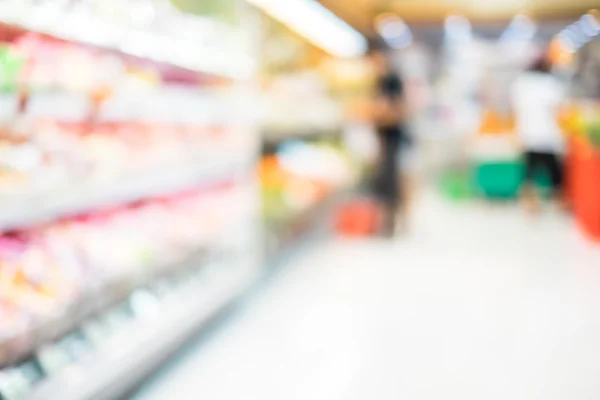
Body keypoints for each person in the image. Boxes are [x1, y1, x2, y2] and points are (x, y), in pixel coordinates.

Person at [511, 56, 566, 213]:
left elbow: (516, 109)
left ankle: (530, 204)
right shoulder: (551, 84)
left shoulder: (521, 84)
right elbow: (558, 110)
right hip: (548, 134)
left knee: (529, 172)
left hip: (527, 133)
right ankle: (559, 203)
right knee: (554, 172)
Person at [369, 44, 411, 236]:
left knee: (394, 182)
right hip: (384, 140)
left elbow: (395, 112)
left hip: (394, 140)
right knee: (386, 183)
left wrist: (377, 114)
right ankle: (387, 222)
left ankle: (394, 222)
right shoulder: (380, 81)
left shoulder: (392, 81)